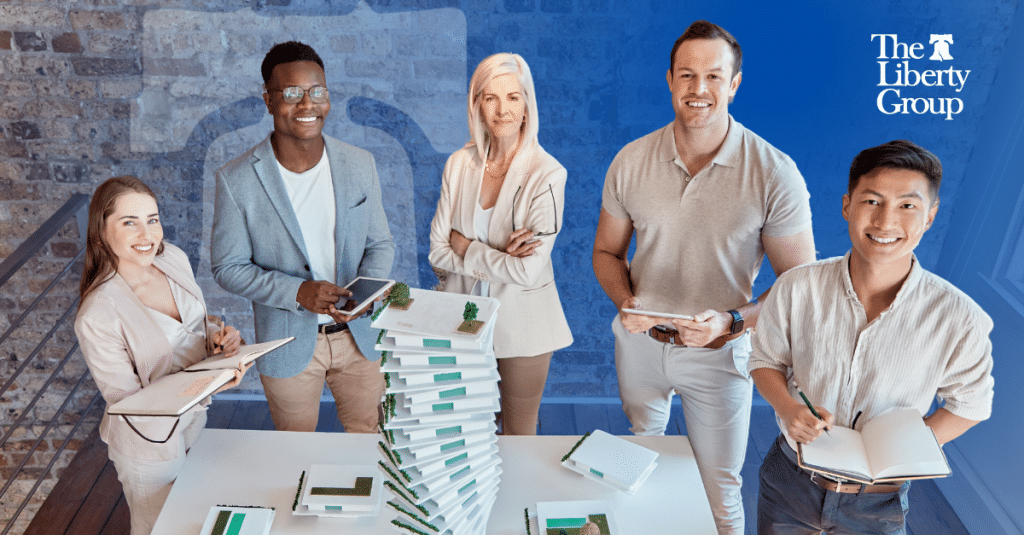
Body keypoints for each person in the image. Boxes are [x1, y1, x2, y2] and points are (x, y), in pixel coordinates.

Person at [591, 20, 817, 534]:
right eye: (687, 76)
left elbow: (799, 285)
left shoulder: (774, 172)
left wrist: (733, 321)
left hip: (721, 354)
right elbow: (606, 252)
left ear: (734, 84)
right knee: (638, 459)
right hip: (640, 346)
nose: (699, 90)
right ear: (670, 79)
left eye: (714, 77)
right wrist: (626, 302)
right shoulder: (630, 161)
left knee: (720, 492)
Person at [749, 140, 994, 535]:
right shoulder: (796, 286)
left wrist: (904, 447)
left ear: (930, 217)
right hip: (790, 480)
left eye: (907, 206)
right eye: (872, 201)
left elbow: (972, 404)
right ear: (847, 205)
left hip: (879, 498)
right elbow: (766, 361)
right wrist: (789, 409)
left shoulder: (960, 317)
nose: (885, 222)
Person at [211, 41, 394, 433]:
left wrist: (365, 295)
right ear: (269, 100)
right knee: (294, 454)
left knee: (371, 446)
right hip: (287, 342)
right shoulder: (236, 179)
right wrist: (298, 292)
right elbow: (228, 267)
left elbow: (380, 244)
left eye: (317, 92)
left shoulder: (360, 164)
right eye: (292, 93)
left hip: (360, 338)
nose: (307, 104)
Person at [75, 176, 246, 535]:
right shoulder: (98, 314)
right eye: (129, 222)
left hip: (194, 420)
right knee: (159, 528)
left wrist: (218, 341)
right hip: (147, 441)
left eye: (152, 219)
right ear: (101, 230)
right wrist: (209, 381)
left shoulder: (172, 258)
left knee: (193, 515)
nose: (147, 234)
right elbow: (129, 403)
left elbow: (198, 324)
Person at [429, 53, 573, 435]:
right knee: (461, 430)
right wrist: (496, 257)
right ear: (477, 104)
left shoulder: (548, 174)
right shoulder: (459, 164)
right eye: (490, 97)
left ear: (527, 105)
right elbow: (438, 252)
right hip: (460, 319)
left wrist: (468, 248)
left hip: (525, 325)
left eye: (513, 97)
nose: (502, 109)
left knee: (518, 433)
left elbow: (525, 271)